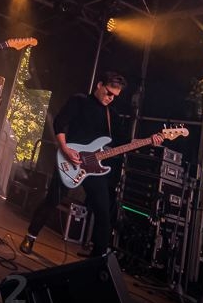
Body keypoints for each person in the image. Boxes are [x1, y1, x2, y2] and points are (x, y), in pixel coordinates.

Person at [19, 71, 163, 257]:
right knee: (52, 200)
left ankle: (97, 257)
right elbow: (59, 123)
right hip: (70, 160)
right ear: (99, 85)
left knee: (103, 211)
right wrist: (65, 148)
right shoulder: (79, 101)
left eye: (115, 96)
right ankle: (30, 237)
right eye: (108, 92)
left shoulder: (112, 115)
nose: (111, 98)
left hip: (94, 167)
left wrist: (149, 140)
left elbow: (123, 142)